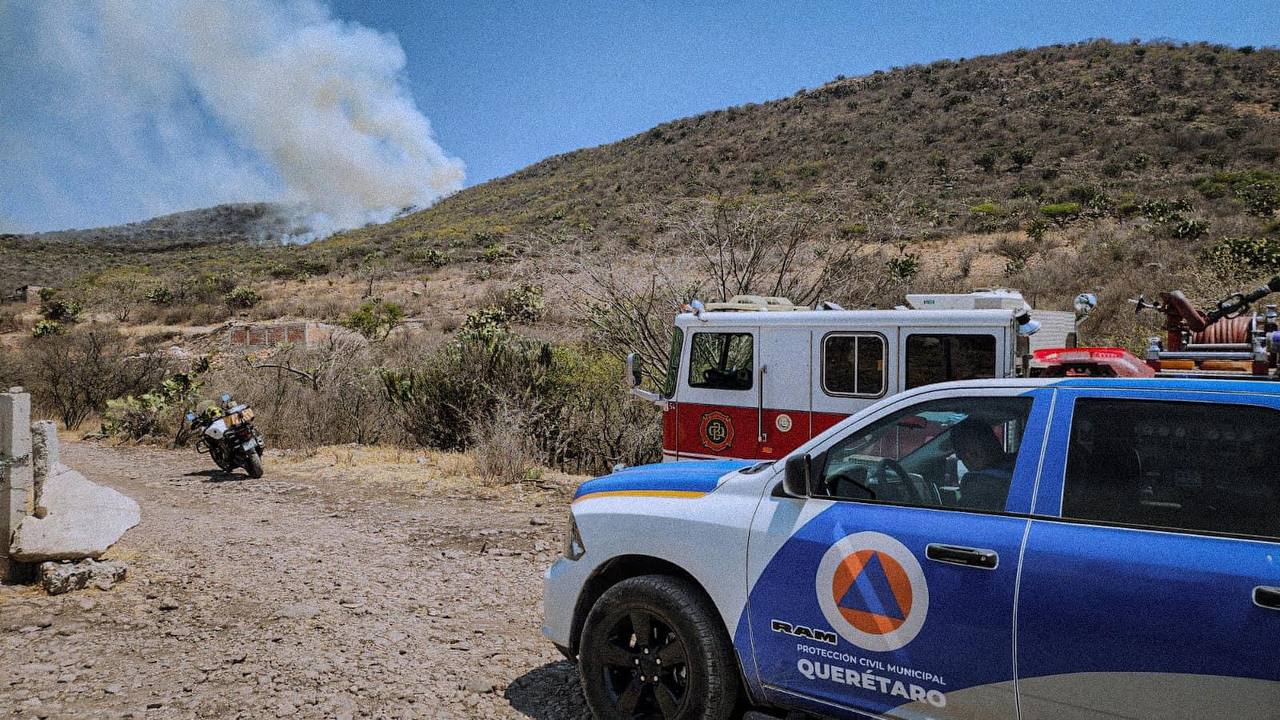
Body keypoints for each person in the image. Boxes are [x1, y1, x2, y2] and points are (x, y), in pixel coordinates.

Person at [950, 418, 1016, 511]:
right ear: (995, 441)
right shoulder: (1025, 468)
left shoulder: (980, 492)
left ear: (971, 455)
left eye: (960, 457)